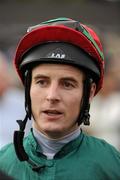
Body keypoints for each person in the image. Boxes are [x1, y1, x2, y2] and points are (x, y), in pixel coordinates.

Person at [0, 17, 120, 180]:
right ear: (28, 89)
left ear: (90, 93)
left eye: (67, 84)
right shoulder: (3, 163)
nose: (52, 96)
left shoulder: (112, 165)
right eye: (42, 82)